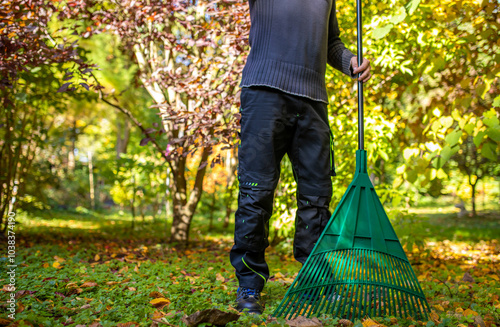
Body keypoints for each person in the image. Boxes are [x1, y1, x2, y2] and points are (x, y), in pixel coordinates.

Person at [229, 0, 372, 315]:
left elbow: (331, 43)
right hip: (264, 92)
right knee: (256, 191)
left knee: (316, 195)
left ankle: (315, 280)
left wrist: (351, 60)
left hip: (313, 100)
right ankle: (249, 284)